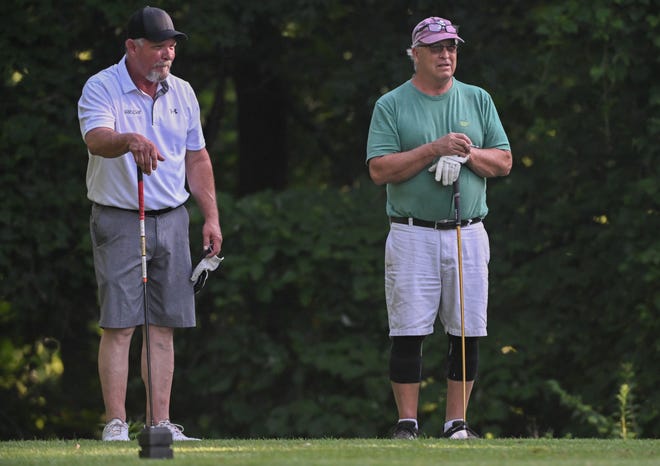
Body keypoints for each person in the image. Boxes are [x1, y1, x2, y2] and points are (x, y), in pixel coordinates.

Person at [77, 6, 222, 441]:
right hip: (120, 216)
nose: (168, 54)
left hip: (173, 218)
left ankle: (160, 423)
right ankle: (116, 424)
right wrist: (129, 139)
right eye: (159, 46)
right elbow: (96, 139)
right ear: (132, 47)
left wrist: (211, 216)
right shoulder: (103, 86)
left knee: (163, 324)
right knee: (120, 323)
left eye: (172, 45)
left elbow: (197, 157)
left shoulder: (182, 92)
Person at [366, 16, 512, 439]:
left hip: (468, 230)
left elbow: (503, 161)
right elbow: (379, 169)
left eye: (451, 47)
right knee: (408, 329)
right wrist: (434, 150)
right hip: (413, 231)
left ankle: (456, 424)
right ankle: (407, 423)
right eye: (435, 48)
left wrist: (468, 156)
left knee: (466, 330)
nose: (445, 54)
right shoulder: (391, 104)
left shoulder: (477, 99)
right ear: (415, 54)